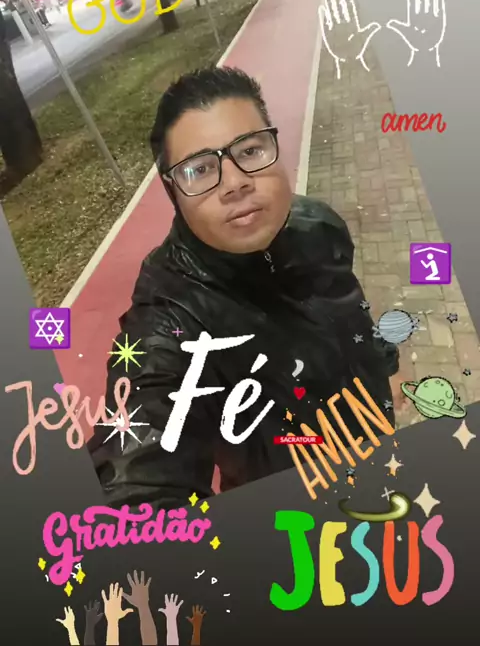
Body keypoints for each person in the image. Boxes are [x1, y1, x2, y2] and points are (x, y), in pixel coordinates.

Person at [89, 66, 401, 510]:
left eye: (250, 150)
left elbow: (349, 309)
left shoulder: (320, 225)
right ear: (173, 190)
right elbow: (138, 483)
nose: (235, 182)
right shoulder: (170, 318)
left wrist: (381, 362)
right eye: (200, 169)